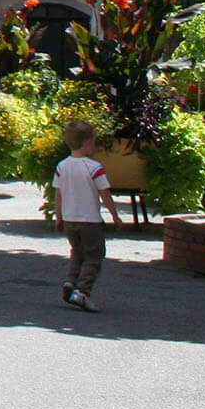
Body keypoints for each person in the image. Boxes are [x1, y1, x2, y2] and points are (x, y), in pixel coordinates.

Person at [54, 119, 124, 311]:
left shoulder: (62, 167)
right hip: (90, 221)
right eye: (94, 142)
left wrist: (58, 216)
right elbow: (105, 194)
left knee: (77, 252)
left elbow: (58, 193)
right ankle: (82, 291)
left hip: (69, 219)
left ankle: (70, 281)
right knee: (94, 256)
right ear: (87, 143)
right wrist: (115, 216)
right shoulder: (94, 168)